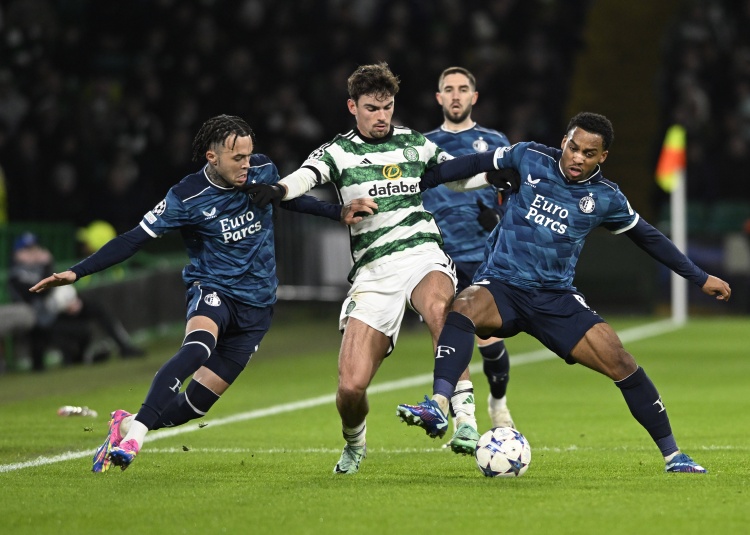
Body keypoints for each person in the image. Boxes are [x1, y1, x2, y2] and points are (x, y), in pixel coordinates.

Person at [29, 114, 372, 472]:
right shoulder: (186, 196)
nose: (246, 164)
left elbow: (288, 200)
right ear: (213, 157)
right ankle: (134, 441)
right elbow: (134, 239)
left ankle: (127, 424)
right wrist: (77, 271)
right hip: (214, 288)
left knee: (194, 406)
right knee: (197, 348)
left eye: (248, 155)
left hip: (257, 307)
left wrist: (336, 212)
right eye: (237, 158)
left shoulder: (261, 170)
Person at [396, 112, 731, 473]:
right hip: (502, 286)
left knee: (620, 361)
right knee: (462, 306)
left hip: (555, 298)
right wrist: (420, 182)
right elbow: (473, 164)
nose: (577, 158)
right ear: (564, 141)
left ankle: (674, 456)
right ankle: (439, 404)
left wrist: (699, 277)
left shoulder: (606, 197)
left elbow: (649, 238)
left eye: (589, 153)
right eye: (574, 147)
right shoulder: (529, 157)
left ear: (602, 157)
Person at [247, 63, 511, 474]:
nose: (382, 116)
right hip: (373, 271)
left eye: (387, 107)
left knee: (442, 309)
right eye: (372, 108)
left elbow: (456, 177)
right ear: (353, 107)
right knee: (351, 388)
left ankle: (463, 418)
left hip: (423, 254)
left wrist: (495, 175)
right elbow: (303, 180)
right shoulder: (338, 152)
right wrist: (282, 190)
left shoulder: (414, 143)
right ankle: (355, 442)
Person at [422, 66, 514, 452]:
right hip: (439, 259)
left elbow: (515, 195)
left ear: (474, 97)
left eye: (463, 89)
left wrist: (498, 215)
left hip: (484, 256)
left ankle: (498, 403)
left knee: (489, 342)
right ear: (439, 98)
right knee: (448, 337)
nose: (456, 95)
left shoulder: (494, 142)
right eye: (449, 89)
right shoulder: (424, 146)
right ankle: (464, 422)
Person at [9, 232, 144, 371]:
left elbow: (58, 288)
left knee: (95, 308)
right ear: (18, 254)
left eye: (35, 248)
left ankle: (124, 346)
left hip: (58, 311)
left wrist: (75, 301)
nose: (34, 253)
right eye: (28, 250)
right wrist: (47, 264)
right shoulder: (17, 274)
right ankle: (81, 358)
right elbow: (39, 293)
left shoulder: (40, 267)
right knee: (76, 331)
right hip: (41, 318)